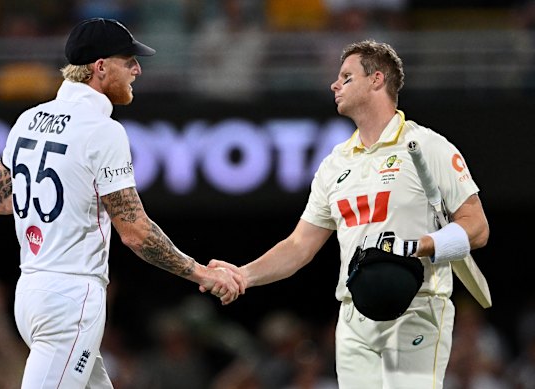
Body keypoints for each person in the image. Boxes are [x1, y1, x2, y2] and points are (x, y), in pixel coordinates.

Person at [205, 39, 490, 388]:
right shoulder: (334, 163)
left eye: (346, 76)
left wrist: (420, 245)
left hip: (417, 307)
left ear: (377, 80)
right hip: (354, 314)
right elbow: (299, 246)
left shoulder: (428, 146)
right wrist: (244, 275)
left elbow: (476, 228)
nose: (334, 84)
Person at [0, 17, 243, 389]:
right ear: (100, 67)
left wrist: (70, 200)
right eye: (128, 60)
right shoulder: (104, 131)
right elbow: (136, 233)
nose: (137, 68)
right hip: (71, 300)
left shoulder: (28, 119)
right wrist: (202, 273)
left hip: (31, 293)